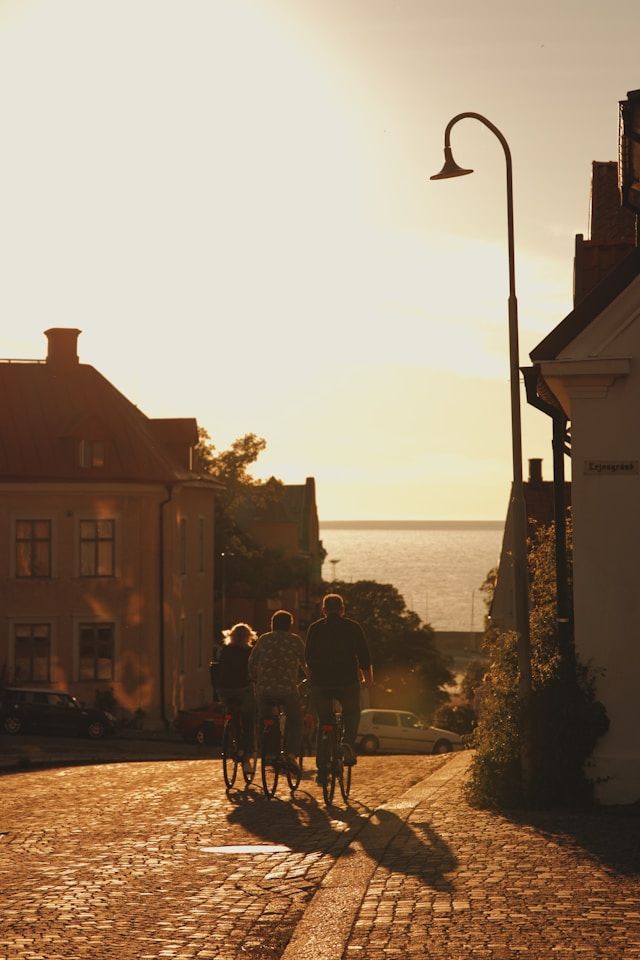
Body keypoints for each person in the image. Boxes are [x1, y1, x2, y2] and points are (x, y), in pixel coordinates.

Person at [305, 593, 373, 777]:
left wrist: (313, 676)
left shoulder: (315, 628)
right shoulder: (352, 627)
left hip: (321, 682)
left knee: (324, 721)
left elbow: (308, 657)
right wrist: (368, 679)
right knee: (351, 712)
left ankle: (322, 766)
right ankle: (348, 745)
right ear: (342, 609)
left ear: (324, 610)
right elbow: (364, 656)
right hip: (347, 681)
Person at [248, 609, 306, 776]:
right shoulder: (295, 640)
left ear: (272, 624)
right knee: (295, 721)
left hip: (264, 690)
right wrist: (311, 680)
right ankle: (290, 755)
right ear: (290, 626)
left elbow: (252, 662)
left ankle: (270, 753)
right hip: (288, 690)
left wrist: (255, 678)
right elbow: (305, 663)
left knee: (266, 719)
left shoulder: (264, 639)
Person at [215, 622, 256, 774]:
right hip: (243, 689)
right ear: (248, 637)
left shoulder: (225, 650)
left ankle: (235, 742)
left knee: (232, 717)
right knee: (248, 719)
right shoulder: (250, 652)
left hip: (224, 690)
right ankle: (247, 753)